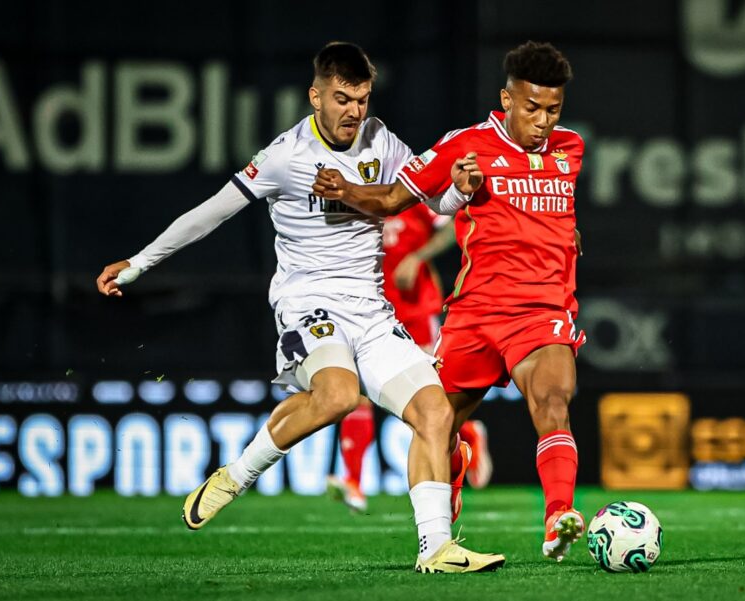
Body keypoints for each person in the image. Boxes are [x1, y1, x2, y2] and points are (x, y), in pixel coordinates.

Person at [94, 41, 503, 574]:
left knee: (436, 412)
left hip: (371, 311)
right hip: (308, 302)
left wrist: (461, 192)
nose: (353, 111)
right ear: (315, 96)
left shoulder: (381, 138)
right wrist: (139, 264)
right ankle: (237, 475)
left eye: (361, 99)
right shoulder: (285, 155)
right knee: (335, 395)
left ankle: (436, 548)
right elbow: (209, 213)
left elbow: (434, 203)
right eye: (341, 99)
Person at [313, 41, 586, 561]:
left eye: (553, 110)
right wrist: (344, 189)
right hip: (476, 314)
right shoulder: (467, 146)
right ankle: (449, 486)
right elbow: (394, 198)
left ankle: (557, 518)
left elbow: (560, 218)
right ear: (506, 99)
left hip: (542, 313)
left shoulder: (571, 148)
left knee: (552, 402)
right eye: (532, 108)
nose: (544, 121)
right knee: (437, 422)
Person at [328, 207, 493, 513]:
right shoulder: (359, 195)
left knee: (431, 397)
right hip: (373, 314)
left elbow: (454, 226)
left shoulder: (412, 192)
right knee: (359, 393)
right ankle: (353, 482)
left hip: (416, 310)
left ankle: (468, 433)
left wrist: (418, 257)